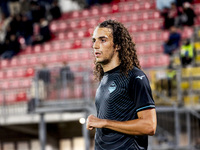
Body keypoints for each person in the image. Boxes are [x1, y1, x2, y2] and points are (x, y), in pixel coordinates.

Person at [86, 20, 157, 150]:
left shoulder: (135, 77)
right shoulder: (104, 79)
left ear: (117, 45)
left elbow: (149, 126)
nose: (95, 45)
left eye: (102, 40)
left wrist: (105, 123)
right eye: (94, 40)